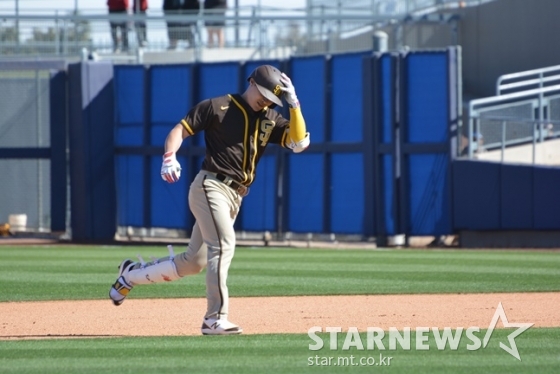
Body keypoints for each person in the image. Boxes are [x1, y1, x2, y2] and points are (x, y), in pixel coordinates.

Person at [109, 65, 310, 335]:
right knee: (224, 244)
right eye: (263, 93)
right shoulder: (219, 106)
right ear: (251, 82)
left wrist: (293, 104)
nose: (266, 101)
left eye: (272, 98)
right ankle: (214, 318)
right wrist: (169, 157)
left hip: (235, 196)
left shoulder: (270, 117)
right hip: (210, 185)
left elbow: (299, 142)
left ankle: (129, 275)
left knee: (193, 263)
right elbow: (179, 131)